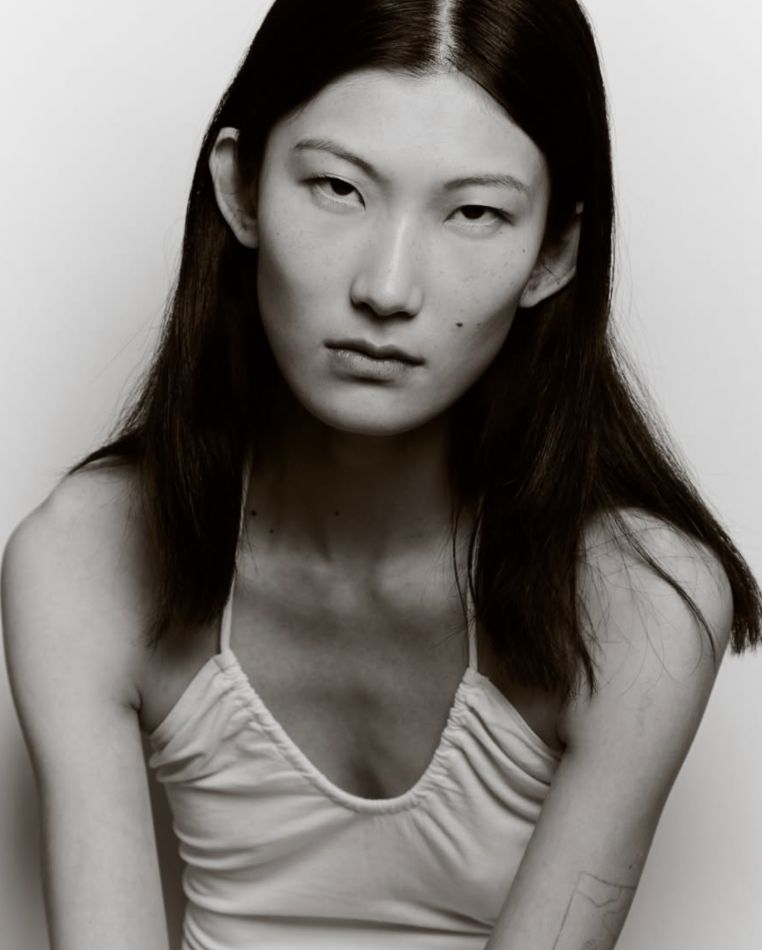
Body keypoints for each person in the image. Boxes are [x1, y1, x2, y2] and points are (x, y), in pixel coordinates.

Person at [2, 0, 760, 948]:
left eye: (474, 212)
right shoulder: (85, 557)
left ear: (553, 254)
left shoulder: (641, 600)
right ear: (241, 187)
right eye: (337, 188)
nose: (387, 288)